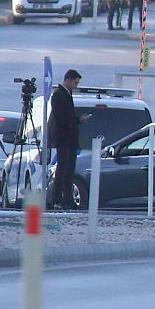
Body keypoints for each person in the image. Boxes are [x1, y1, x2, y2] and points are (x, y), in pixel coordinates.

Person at [47, 70, 89, 210]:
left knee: (69, 170)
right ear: (69, 80)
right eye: (75, 82)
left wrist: (76, 121)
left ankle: (68, 199)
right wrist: (76, 121)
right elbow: (61, 116)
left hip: (70, 139)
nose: (76, 86)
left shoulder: (67, 94)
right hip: (63, 138)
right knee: (62, 169)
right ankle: (57, 198)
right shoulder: (58, 94)